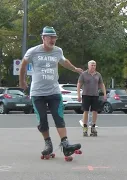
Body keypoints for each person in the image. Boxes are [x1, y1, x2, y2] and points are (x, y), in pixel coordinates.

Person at [19, 26, 83, 159]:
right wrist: (22, 81)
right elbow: (23, 65)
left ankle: (65, 144)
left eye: (54, 37)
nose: (52, 40)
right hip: (37, 93)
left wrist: (75, 69)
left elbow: (64, 62)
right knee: (42, 120)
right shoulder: (33, 51)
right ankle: (48, 144)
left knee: (59, 117)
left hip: (54, 91)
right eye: (50, 37)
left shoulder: (58, 51)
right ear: (43, 38)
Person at [77, 60, 106, 137]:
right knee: (86, 111)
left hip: (95, 95)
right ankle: (85, 127)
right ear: (88, 66)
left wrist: (104, 94)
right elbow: (79, 84)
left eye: (94, 65)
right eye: (92, 65)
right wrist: (79, 95)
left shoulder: (98, 74)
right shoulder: (84, 74)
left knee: (95, 111)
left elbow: (101, 84)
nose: (93, 66)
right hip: (86, 95)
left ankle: (93, 126)